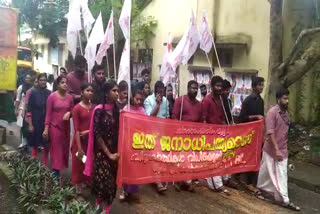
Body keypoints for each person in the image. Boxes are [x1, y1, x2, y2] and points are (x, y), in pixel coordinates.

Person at [256, 88, 300, 211]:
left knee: (281, 174)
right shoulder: (272, 113)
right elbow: (270, 133)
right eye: (285, 99)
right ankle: (282, 199)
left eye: (287, 98)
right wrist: (276, 150)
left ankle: (283, 198)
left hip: (282, 149)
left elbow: (285, 132)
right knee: (267, 173)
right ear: (278, 99)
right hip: (272, 150)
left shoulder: (286, 114)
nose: (287, 101)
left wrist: (284, 148)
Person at [83, 80, 120, 214]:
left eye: (117, 91)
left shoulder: (118, 111)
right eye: (114, 91)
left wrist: (114, 154)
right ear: (106, 93)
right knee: (101, 180)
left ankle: (107, 209)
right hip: (101, 153)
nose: (117, 93)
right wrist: (108, 153)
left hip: (115, 153)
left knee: (111, 183)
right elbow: (97, 135)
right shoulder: (99, 111)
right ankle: (98, 204)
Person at [202, 76, 230, 195]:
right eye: (217, 86)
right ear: (212, 87)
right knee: (214, 158)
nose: (219, 88)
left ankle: (217, 182)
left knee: (220, 157)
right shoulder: (207, 100)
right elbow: (203, 119)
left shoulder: (221, 100)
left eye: (220, 86)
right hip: (210, 134)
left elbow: (221, 118)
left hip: (220, 133)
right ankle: (217, 185)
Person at [172, 80, 201, 192]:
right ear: (188, 88)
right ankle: (179, 181)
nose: (195, 90)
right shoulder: (181, 100)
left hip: (194, 137)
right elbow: (174, 116)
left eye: (196, 88)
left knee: (190, 159)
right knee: (181, 158)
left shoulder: (199, 104)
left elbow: (200, 121)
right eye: (193, 88)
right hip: (182, 135)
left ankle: (187, 181)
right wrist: (178, 128)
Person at [43, 76, 73, 177]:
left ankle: (58, 172)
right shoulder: (52, 96)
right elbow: (48, 114)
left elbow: (73, 111)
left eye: (66, 82)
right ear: (58, 84)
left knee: (64, 150)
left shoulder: (70, 97)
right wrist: (46, 129)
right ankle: (55, 175)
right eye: (62, 82)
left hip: (66, 128)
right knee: (56, 150)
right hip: (54, 127)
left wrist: (69, 113)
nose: (65, 84)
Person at [119, 89, 146, 201]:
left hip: (138, 141)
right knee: (127, 166)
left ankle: (133, 191)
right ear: (132, 98)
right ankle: (124, 190)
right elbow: (123, 124)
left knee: (135, 166)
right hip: (128, 140)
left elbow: (145, 125)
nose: (139, 101)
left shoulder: (142, 110)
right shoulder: (126, 109)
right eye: (137, 99)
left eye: (140, 99)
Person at [144, 80, 169, 193]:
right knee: (154, 156)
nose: (161, 94)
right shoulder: (148, 100)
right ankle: (157, 182)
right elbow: (150, 116)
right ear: (155, 91)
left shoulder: (166, 101)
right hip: (151, 133)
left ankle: (159, 178)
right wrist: (158, 104)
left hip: (163, 133)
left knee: (161, 157)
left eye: (162, 92)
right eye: (159, 92)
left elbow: (167, 116)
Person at [239, 76, 265, 186]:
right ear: (254, 86)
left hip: (258, 134)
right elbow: (242, 118)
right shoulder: (248, 101)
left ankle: (253, 182)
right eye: (259, 85)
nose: (261, 87)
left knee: (256, 157)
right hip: (248, 134)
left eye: (262, 85)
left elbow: (262, 117)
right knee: (246, 156)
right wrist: (255, 117)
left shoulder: (261, 101)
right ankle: (243, 180)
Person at [71, 83, 94, 188]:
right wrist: (79, 148)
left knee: (87, 163)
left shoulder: (94, 107)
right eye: (87, 90)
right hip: (79, 143)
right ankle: (76, 192)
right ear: (81, 92)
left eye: (91, 91)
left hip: (90, 142)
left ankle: (86, 182)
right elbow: (76, 130)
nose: (90, 93)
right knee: (78, 166)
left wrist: (88, 132)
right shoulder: (76, 109)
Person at [27, 73, 51, 164]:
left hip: (46, 122)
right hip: (35, 121)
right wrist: (30, 125)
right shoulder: (33, 92)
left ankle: (44, 163)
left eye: (44, 80)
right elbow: (29, 110)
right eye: (41, 80)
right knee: (35, 142)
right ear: (38, 81)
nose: (43, 82)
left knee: (46, 143)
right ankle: (34, 162)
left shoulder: (49, 93)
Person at [16, 74, 33, 148]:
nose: (28, 79)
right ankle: (23, 142)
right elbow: (17, 99)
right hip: (22, 109)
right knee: (22, 126)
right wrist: (16, 109)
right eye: (26, 78)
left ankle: (29, 142)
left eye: (29, 78)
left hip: (30, 110)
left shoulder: (32, 88)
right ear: (24, 79)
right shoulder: (21, 87)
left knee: (29, 125)